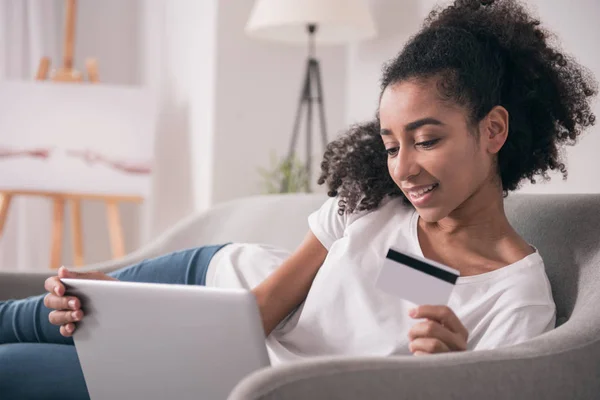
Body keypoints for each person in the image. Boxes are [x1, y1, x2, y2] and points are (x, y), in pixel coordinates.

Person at [0, 0, 597, 398]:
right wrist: (129, 311)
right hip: (210, 285)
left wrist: (447, 370)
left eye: (427, 139)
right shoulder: (376, 206)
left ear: (493, 130)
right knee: (19, 320)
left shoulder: (515, 301)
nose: (404, 168)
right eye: (391, 144)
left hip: (235, 377)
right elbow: (261, 307)